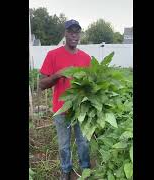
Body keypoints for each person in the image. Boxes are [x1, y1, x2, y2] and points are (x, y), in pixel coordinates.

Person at [39, 20, 91, 180]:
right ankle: (66, 170)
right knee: (63, 145)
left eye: (77, 31)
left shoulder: (86, 58)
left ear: (80, 35)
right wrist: (57, 75)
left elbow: (90, 85)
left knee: (84, 143)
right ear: (65, 34)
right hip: (61, 110)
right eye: (71, 31)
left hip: (80, 110)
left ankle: (85, 169)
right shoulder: (53, 55)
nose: (74, 34)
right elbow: (41, 84)